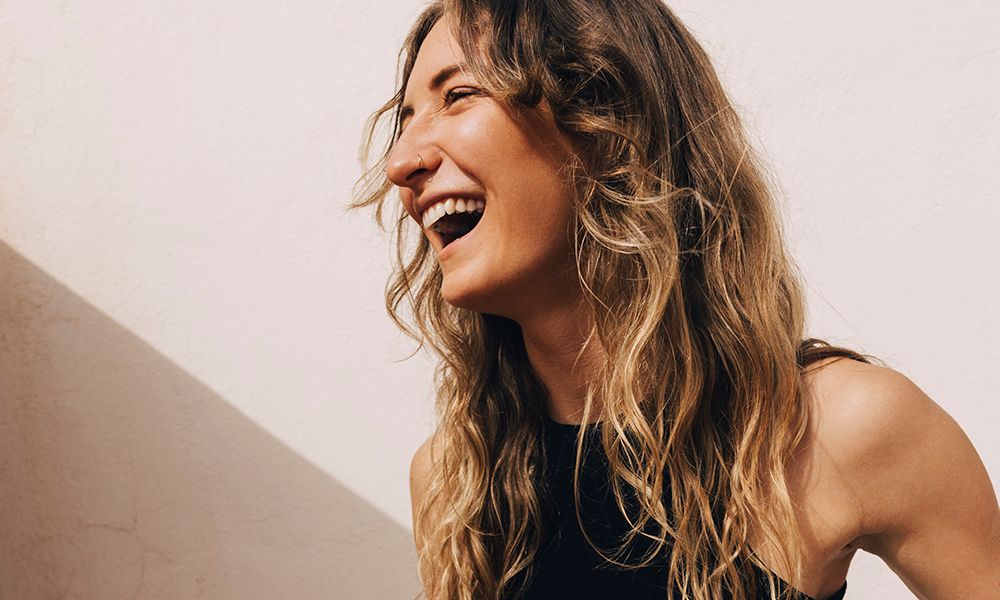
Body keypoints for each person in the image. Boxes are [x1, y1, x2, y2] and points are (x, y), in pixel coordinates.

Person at [350, 1, 1000, 598]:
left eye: (459, 95)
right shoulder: (452, 480)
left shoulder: (839, 428)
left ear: (609, 124)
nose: (401, 161)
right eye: (404, 122)